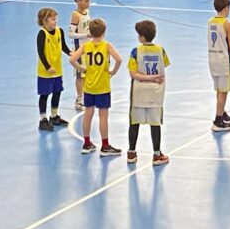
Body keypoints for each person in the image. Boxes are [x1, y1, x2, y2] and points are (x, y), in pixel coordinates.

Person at [69, 18, 123, 157]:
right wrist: (113, 71)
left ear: (90, 32)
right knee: (103, 116)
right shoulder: (107, 45)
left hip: (89, 86)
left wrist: (82, 69)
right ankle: (105, 146)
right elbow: (119, 59)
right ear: (104, 32)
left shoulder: (86, 46)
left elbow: (71, 59)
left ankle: (87, 143)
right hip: (103, 87)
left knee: (88, 114)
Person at [127, 20, 170, 166]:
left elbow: (133, 73)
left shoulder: (136, 51)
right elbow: (164, 64)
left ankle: (131, 153)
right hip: (155, 93)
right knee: (155, 123)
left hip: (139, 92)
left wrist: (146, 76)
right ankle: (157, 154)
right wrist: (153, 77)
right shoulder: (161, 50)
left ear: (142, 37)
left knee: (134, 122)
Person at [35, 7, 71, 131]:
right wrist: (48, 67)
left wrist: (71, 53)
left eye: (56, 19)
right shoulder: (42, 34)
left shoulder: (59, 31)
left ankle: (54, 116)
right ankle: (43, 119)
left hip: (57, 69)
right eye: (52, 19)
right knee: (44, 94)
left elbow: (63, 46)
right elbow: (40, 53)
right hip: (45, 72)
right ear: (44, 21)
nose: (55, 21)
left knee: (57, 92)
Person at [208, 0, 230, 132]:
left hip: (212, 59)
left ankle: (222, 112)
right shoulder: (228, 24)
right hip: (224, 60)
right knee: (224, 91)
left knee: (219, 89)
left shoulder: (210, 21)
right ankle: (218, 121)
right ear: (226, 8)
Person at [69, 0, 92, 111]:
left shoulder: (87, 12)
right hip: (79, 49)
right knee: (80, 76)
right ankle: (79, 100)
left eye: (88, 1)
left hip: (88, 47)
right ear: (78, 1)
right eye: (85, 1)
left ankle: (85, 96)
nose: (88, 3)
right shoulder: (75, 15)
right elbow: (71, 34)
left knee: (87, 73)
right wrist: (85, 35)